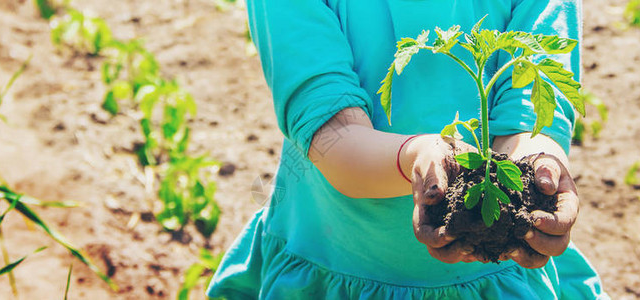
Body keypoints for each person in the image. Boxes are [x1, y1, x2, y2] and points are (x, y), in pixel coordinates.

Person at [208, 0, 608, 298]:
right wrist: (418, 157)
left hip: (495, 276)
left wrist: (538, 168)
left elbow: (528, 118)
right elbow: (334, 135)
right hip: (336, 258)